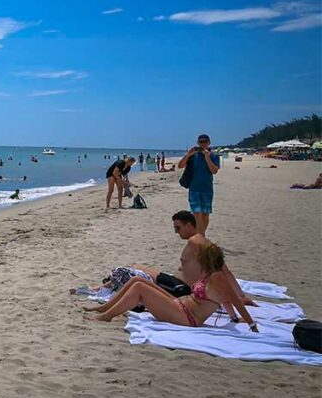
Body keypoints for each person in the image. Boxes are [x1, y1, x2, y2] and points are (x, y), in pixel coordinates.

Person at [84, 242, 258, 331]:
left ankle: (106, 316)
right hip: (180, 305)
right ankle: (104, 308)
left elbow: (233, 300)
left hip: (187, 317)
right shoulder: (210, 273)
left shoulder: (218, 278)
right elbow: (225, 300)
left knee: (140, 289)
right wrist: (233, 319)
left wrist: (251, 325)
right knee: (137, 280)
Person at [178, 133, 220, 235]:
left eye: (205, 142)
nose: (203, 144)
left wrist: (207, 158)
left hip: (207, 190)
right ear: (198, 143)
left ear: (209, 143)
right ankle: (200, 238)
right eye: (201, 142)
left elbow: (214, 171)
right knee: (197, 214)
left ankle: (200, 235)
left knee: (205, 216)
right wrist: (188, 154)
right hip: (194, 189)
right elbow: (180, 165)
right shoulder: (193, 156)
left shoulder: (214, 156)